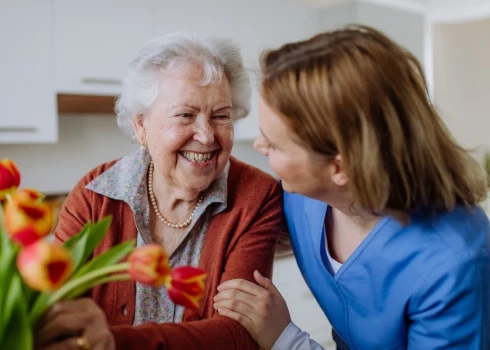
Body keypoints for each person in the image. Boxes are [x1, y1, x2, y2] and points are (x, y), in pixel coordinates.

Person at [213, 25, 490, 349]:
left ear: (339, 167)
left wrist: (286, 339)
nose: (259, 146)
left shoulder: (453, 264)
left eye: (274, 145)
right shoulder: (304, 200)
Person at [34, 34, 284, 350]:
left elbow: (240, 334)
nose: (206, 136)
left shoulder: (257, 196)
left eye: (221, 115)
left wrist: (113, 341)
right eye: (185, 115)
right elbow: (55, 311)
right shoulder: (94, 196)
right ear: (141, 125)